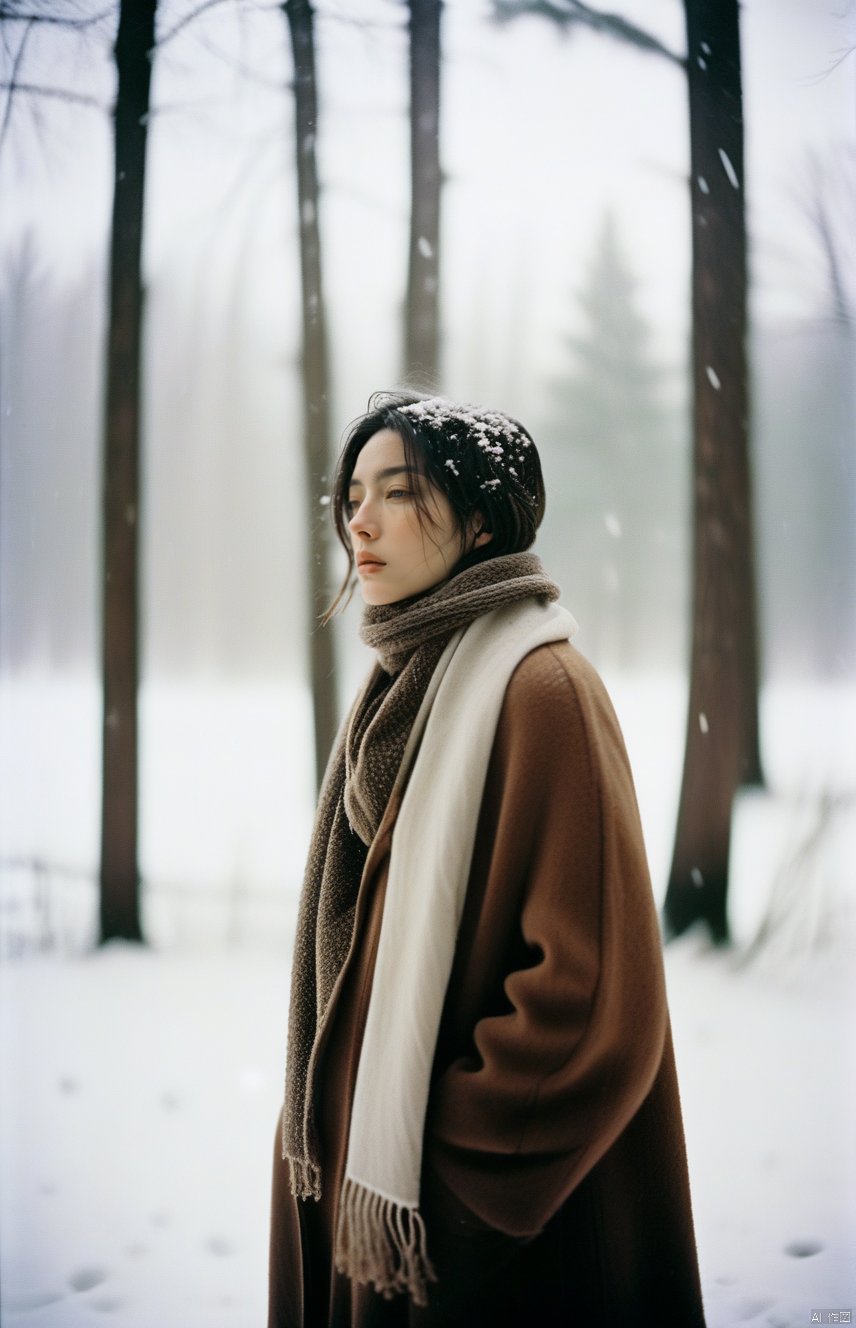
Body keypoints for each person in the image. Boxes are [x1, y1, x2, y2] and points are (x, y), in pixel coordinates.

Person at [268, 391, 705, 1327]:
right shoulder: (404, 687)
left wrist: (451, 1169)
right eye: (352, 494)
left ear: (477, 521)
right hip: (384, 1203)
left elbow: (587, 996)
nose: (360, 517)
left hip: (489, 1247)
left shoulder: (540, 688)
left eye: (397, 490)